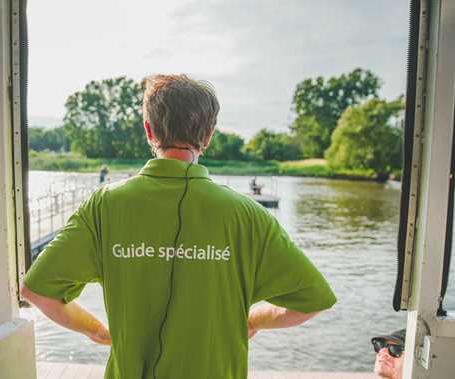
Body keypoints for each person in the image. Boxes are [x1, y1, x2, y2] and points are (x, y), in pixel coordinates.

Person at [20, 74, 337, 379]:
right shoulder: (249, 215)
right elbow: (312, 300)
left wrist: (96, 329)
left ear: (148, 130)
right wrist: (252, 320)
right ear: (209, 135)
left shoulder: (105, 205)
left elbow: (37, 291)